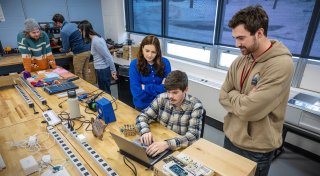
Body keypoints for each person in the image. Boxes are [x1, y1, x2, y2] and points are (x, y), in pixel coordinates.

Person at [219, 5, 294, 176]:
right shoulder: (241, 60)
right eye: (234, 38)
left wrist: (235, 96)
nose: (236, 44)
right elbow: (222, 95)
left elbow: (248, 110)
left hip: (256, 148)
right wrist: (242, 98)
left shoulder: (281, 64)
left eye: (241, 38)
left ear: (259, 33)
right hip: (230, 136)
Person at [136, 70, 204, 157]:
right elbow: (142, 116)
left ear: (186, 89)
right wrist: (145, 131)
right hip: (159, 142)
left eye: (175, 92)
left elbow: (193, 136)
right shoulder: (161, 98)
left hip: (180, 151)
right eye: (168, 92)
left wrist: (167, 144)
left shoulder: (195, 106)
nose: (170, 96)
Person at [129, 35, 171, 111]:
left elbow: (167, 89)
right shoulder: (134, 64)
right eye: (147, 51)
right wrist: (159, 89)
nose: (149, 55)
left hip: (161, 107)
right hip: (142, 108)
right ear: (142, 49)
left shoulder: (165, 63)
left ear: (157, 52)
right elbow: (137, 93)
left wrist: (144, 87)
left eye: (153, 52)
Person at [77, 20, 117, 94]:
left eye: (80, 32)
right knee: (103, 92)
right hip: (101, 69)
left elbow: (108, 56)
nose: (80, 34)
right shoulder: (96, 38)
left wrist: (113, 70)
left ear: (85, 31)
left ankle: (108, 105)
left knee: (105, 93)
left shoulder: (96, 41)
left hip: (103, 70)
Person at [52, 14, 91, 80]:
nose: (55, 25)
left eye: (55, 23)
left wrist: (62, 49)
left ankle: (83, 88)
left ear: (58, 22)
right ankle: (89, 88)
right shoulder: (73, 24)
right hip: (88, 50)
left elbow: (66, 49)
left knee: (78, 73)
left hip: (79, 53)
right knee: (85, 71)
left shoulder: (63, 31)